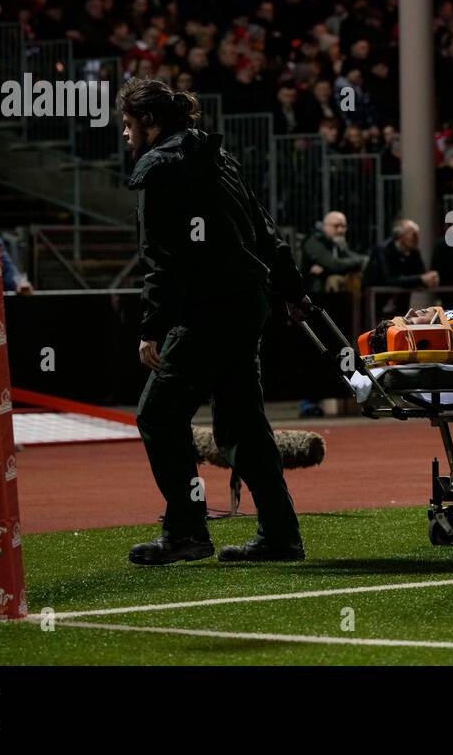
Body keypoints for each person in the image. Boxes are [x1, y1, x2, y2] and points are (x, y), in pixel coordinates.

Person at [120, 78, 312, 566]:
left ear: (150, 122)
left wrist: (151, 327)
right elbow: (266, 231)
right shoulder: (220, 158)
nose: (125, 135)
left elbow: (163, 258)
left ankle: (186, 530)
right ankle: (280, 535)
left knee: (158, 416)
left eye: (127, 125)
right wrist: (293, 293)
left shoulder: (159, 168)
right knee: (243, 424)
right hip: (246, 304)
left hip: (207, 310)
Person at [363, 219, 439, 317]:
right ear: (400, 236)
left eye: (417, 235)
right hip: (375, 302)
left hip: (400, 304)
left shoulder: (414, 253)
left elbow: (421, 274)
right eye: (413, 234)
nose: (417, 238)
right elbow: (390, 279)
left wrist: (429, 279)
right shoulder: (383, 250)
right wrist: (421, 279)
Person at [300, 211, 368, 297]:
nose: (340, 230)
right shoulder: (313, 241)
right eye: (336, 226)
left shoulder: (336, 242)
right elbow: (334, 264)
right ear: (325, 226)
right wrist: (360, 262)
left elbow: (349, 259)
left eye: (343, 226)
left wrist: (326, 270)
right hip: (314, 295)